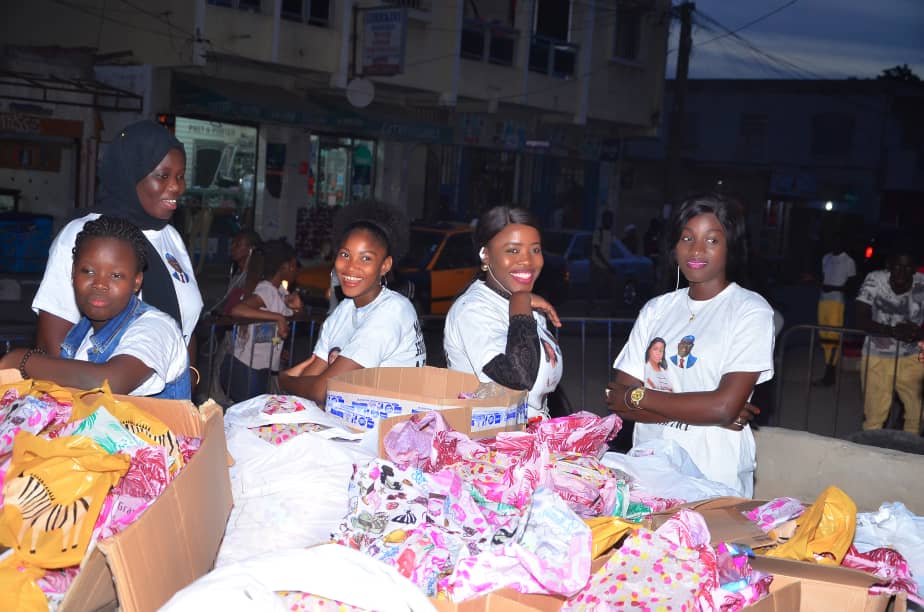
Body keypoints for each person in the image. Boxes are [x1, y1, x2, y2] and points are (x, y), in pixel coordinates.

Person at [605, 194, 775, 497]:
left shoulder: (749, 310)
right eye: (687, 238)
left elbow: (722, 407)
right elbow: (617, 400)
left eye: (712, 240)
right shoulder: (656, 309)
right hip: (650, 470)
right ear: (674, 247)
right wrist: (705, 411)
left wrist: (639, 396)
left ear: (730, 247)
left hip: (714, 474)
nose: (697, 249)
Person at [32, 120, 203, 355]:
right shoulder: (85, 234)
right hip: (99, 389)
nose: (177, 187)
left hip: (174, 390)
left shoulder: (170, 237)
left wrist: (189, 380)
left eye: (181, 176)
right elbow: (53, 343)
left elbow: (186, 323)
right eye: (163, 176)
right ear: (130, 174)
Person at [1, 216, 189, 398]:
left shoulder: (155, 327)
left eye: (116, 275)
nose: (100, 284)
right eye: (89, 271)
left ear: (136, 282)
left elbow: (112, 381)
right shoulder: (79, 338)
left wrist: (22, 360)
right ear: (73, 274)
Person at [279, 200, 425, 405]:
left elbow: (321, 390)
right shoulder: (343, 311)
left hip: (385, 431)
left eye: (365, 259)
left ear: (385, 265)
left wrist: (284, 379)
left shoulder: (392, 311)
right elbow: (313, 375)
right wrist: (303, 383)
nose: (350, 267)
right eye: (345, 255)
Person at [444, 206, 563, 421]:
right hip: (487, 447)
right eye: (513, 250)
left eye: (535, 250)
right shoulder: (472, 310)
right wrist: (521, 302)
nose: (527, 261)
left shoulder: (529, 305)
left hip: (526, 441)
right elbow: (518, 378)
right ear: (485, 255)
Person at [220, 239, 303, 403]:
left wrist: (297, 308)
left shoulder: (279, 291)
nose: (296, 271)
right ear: (284, 267)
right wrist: (278, 318)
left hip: (260, 367)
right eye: (294, 266)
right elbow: (238, 310)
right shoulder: (266, 290)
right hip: (247, 368)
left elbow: (290, 317)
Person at [854, 240, 924, 434]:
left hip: (913, 356)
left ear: (915, 269)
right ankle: (871, 457)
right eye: (897, 266)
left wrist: (919, 333)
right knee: (875, 416)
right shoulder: (875, 280)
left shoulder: (922, 284)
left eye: (908, 267)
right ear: (888, 266)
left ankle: (909, 456)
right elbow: (860, 318)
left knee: (917, 414)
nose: (902, 272)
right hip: (877, 354)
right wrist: (892, 331)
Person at [815, 233, 856, 386]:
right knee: (824, 337)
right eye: (831, 239)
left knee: (833, 338)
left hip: (836, 303)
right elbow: (824, 279)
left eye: (836, 240)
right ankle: (828, 372)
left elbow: (851, 287)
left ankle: (830, 373)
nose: (833, 243)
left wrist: (831, 287)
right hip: (823, 301)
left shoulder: (849, 261)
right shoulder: (826, 258)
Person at [211, 229, 263, 316]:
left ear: (251, 249)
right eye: (232, 244)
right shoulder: (236, 276)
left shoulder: (254, 278)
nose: (232, 248)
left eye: (238, 245)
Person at [588, 209, 617, 314]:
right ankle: (591, 310)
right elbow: (597, 251)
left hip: (605, 265)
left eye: (611, 219)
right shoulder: (598, 232)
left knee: (609, 288)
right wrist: (608, 265)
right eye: (608, 219)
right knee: (594, 290)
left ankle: (610, 310)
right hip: (597, 265)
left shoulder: (609, 233)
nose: (610, 222)